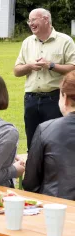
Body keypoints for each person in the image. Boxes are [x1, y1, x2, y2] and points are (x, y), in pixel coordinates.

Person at [14, 8, 75, 150]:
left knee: (56, 144)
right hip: (31, 100)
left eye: (33, 20)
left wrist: (51, 65)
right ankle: (33, 171)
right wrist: (29, 66)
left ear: (46, 19)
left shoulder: (65, 41)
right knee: (33, 144)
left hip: (55, 99)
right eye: (29, 21)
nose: (30, 23)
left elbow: (73, 67)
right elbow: (16, 71)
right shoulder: (27, 42)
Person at [23, 70, 75, 200]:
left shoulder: (46, 129)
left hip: (56, 208)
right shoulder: (47, 129)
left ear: (66, 99)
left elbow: (30, 183)